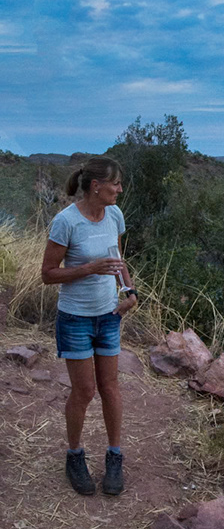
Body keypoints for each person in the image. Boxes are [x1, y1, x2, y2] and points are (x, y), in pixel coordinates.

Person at [40, 157, 139, 496]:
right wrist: (89, 268)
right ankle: (75, 455)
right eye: (116, 184)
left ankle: (114, 456)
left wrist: (130, 292)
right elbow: (48, 274)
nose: (120, 190)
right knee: (84, 391)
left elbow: (118, 259)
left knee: (110, 387)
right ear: (96, 186)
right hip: (76, 318)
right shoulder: (65, 222)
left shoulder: (114, 215)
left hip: (109, 314)